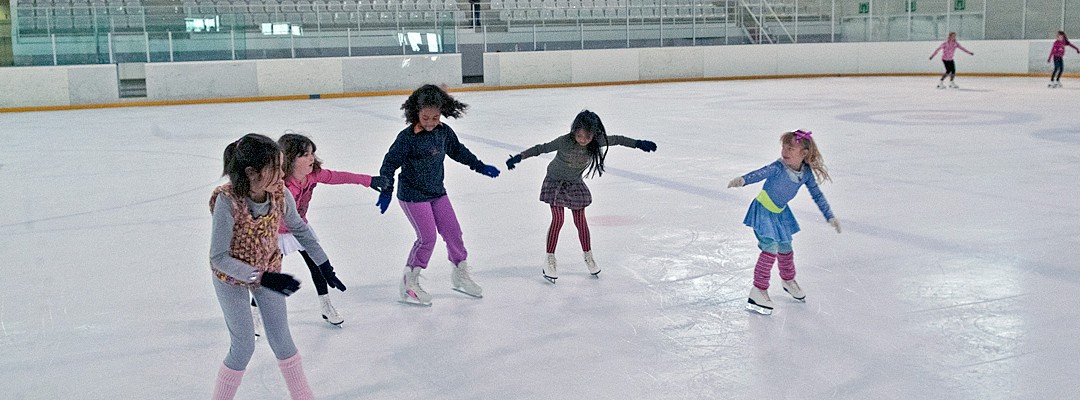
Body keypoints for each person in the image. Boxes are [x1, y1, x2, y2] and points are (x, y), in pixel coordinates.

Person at [209, 133, 331, 400]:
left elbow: (298, 226)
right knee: (243, 347)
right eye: (275, 168)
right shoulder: (227, 201)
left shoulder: (279, 193)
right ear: (252, 173)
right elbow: (218, 257)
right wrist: (260, 277)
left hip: (268, 269)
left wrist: (323, 262)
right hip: (230, 277)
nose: (282, 173)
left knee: (283, 342)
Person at [373, 84, 500, 306]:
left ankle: (459, 274)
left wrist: (479, 166)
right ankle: (408, 283)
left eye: (435, 117)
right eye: (425, 117)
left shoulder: (443, 132)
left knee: (453, 233)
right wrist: (387, 189)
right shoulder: (407, 138)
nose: (431, 122)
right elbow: (389, 163)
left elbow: (458, 151)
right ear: (416, 112)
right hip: (412, 195)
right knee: (427, 238)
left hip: (437, 192)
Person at [505, 110, 656, 283]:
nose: (583, 140)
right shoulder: (564, 141)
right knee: (558, 219)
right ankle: (549, 259)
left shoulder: (597, 141)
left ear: (594, 134)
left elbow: (618, 140)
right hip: (555, 181)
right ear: (574, 132)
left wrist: (638, 143)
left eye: (587, 136)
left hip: (574, 183)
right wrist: (519, 157)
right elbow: (542, 148)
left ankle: (588, 256)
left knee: (580, 221)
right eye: (579, 135)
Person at [264, 132, 389, 326]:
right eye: (304, 155)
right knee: (271, 273)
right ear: (289, 158)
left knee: (317, 268)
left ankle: (326, 306)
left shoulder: (312, 175)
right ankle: (255, 315)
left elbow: (337, 177)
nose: (311, 158)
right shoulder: (281, 186)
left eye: (312, 153)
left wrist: (369, 180)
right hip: (277, 233)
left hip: (300, 229)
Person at [727, 130, 840, 315]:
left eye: (790, 148)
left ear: (803, 153)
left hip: (780, 213)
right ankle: (758, 290)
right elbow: (760, 173)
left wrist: (829, 216)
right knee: (770, 247)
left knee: (786, 247)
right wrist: (743, 180)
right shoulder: (778, 167)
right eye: (783, 147)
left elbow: (817, 195)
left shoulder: (805, 174)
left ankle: (788, 280)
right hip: (763, 210)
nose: (784, 151)